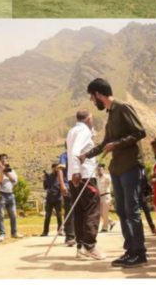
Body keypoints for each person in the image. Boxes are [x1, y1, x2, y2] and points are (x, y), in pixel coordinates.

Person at [78, 78, 148, 268]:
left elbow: (140, 132)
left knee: (132, 210)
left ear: (99, 94)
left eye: (92, 98)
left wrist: (116, 144)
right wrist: (86, 155)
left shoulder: (123, 107)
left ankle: (139, 253)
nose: (93, 101)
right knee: (122, 211)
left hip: (130, 166)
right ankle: (129, 251)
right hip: (117, 168)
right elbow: (104, 144)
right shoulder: (110, 114)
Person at [67, 110, 105, 260]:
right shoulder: (84, 131)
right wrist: (77, 171)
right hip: (84, 176)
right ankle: (90, 246)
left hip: (74, 177)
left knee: (80, 212)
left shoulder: (72, 130)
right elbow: (76, 151)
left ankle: (80, 247)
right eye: (92, 120)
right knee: (92, 209)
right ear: (89, 119)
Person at [0, 153, 22, 239]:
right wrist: (1, 171)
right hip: (1, 194)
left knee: (13, 215)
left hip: (10, 194)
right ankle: (2, 233)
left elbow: (14, 180)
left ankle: (14, 232)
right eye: (2, 159)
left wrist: (7, 173)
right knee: (1, 215)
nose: (4, 160)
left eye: (5, 158)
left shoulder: (11, 170)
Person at [56, 149, 76, 245]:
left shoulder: (77, 153)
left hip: (78, 187)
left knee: (78, 211)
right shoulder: (64, 155)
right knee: (69, 211)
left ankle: (77, 235)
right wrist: (62, 185)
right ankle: (70, 237)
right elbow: (60, 169)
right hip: (68, 187)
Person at [41, 163, 63, 237]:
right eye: (56, 168)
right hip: (49, 199)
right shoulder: (49, 176)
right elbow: (45, 187)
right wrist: (44, 180)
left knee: (59, 216)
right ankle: (45, 232)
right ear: (52, 168)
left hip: (58, 199)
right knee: (47, 216)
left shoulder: (60, 176)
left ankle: (60, 231)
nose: (57, 169)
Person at [96, 164, 115, 232]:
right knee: (100, 212)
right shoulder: (97, 178)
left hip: (106, 196)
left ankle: (105, 227)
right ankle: (111, 222)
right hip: (100, 196)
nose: (99, 171)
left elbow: (110, 183)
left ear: (104, 170)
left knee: (105, 212)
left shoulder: (107, 177)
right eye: (98, 170)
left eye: (100, 170)